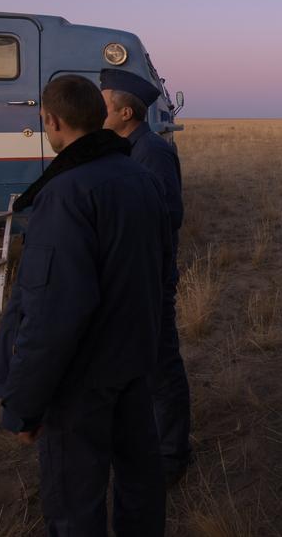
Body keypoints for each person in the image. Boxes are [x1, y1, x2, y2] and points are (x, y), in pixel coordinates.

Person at [0, 74, 171, 535]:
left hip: (82, 382)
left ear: (51, 121)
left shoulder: (66, 193)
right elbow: (159, 273)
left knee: (75, 506)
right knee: (140, 482)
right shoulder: (141, 177)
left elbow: (53, 313)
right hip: (135, 360)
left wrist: (24, 403)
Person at [99, 68, 192, 486]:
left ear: (125, 112)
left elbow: (169, 214)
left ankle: (172, 456)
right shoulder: (123, 148)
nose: (97, 112)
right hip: (131, 274)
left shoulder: (150, 151)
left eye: (103, 105)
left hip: (149, 274)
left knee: (161, 366)